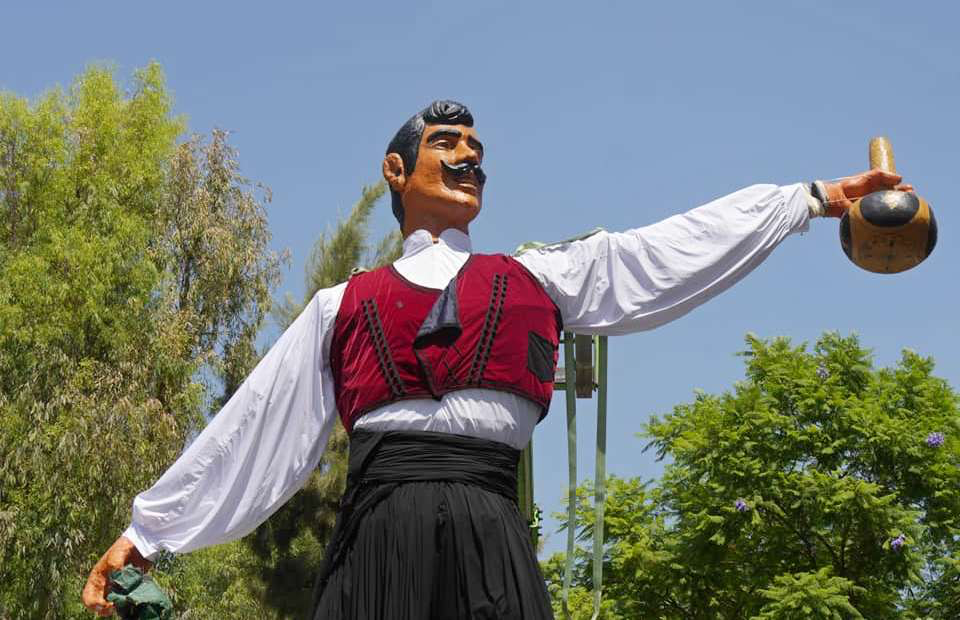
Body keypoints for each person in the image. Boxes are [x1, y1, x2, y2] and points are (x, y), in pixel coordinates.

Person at [83, 100, 911, 618]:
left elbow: (669, 251)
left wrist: (810, 200)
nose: (469, 157)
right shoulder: (342, 305)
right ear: (396, 170)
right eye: (447, 143)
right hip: (378, 538)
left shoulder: (542, 277)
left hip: (493, 533)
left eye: (476, 147)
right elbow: (254, 429)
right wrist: (148, 533)